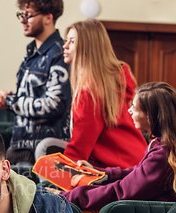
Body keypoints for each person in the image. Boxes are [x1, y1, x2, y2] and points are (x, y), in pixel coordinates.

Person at [60, 82, 176, 213]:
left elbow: (121, 191)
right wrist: (101, 173)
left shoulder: (165, 153)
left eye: (135, 108)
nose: (129, 111)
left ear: (152, 116)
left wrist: (65, 197)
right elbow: (140, 173)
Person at [49, 19, 146, 169]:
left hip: (120, 169)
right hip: (136, 160)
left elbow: (79, 148)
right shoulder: (104, 83)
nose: (65, 46)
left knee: (47, 160)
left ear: (88, 47)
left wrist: (57, 176)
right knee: (47, 147)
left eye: (72, 42)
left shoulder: (91, 92)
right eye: (66, 40)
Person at [0, 0, 71, 166]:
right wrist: (9, 101)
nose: (22, 20)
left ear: (48, 17)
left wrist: (11, 101)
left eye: (28, 16)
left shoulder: (60, 53)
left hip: (43, 150)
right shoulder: (31, 53)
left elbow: (55, 104)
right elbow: (32, 98)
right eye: (21, 15)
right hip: (20, 145)